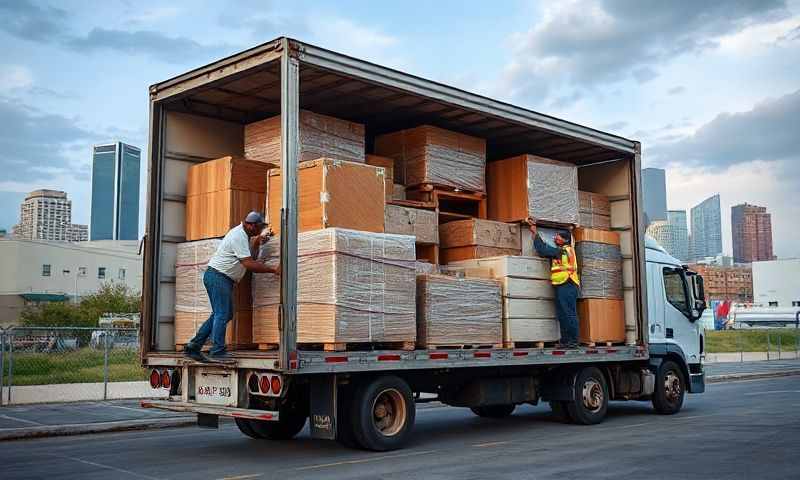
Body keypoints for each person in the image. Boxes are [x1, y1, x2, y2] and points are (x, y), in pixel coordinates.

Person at [184, 211, 279, 362]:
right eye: (259, 228)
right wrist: (273, 269)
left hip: (220, 277)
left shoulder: (244, 235)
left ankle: (194, 346)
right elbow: (248, 264)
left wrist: (257, 242)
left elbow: (250, 257)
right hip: (218, 276)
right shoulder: (238, 236)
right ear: (251, 225)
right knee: (222, 313)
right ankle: (217, 351)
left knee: (223, 314)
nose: (260, 231)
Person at [526, 217, 580, 348]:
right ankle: (566, 341)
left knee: (568, 313)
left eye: (558, 237)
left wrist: (534, 232)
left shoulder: (563, 251)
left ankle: (573, 341)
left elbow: (544, 250)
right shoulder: (565, 249)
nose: (555, 238)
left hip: (567, 283)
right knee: (562, 313)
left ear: (565, 240)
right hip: (562, 284)